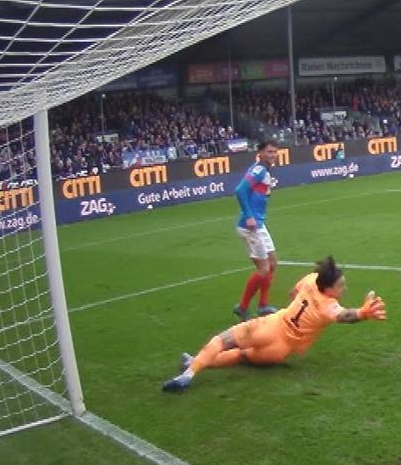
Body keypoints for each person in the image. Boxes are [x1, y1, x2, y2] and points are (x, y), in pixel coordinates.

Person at [163, 256, 387, 392]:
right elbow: (345, 316)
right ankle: (193, 364)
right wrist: (364, 312)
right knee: (241, 356)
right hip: (280, 350)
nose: (343, 289)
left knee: (223, 341)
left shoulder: (311, 280)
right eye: (340, 286)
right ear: (328, 289)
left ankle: (188, 374)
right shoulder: (329, 307)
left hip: (271, 326)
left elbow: (294, 292)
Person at [233, 140, 279, 320]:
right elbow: (240, 190)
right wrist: (249, 215)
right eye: (269, 152)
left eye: (275, 152)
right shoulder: (259, 170)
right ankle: (243, 307)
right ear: (260, 153)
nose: (272, 155)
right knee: (264, 269)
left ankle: (263, 305)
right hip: (250, 226)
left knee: (273, 263)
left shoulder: (264, 170)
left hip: (259, 224)